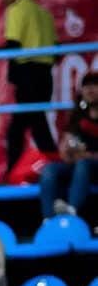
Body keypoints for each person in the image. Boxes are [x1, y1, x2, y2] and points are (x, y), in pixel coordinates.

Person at [0, 0, 59, 171]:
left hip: (28, 75)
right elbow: (56, 51)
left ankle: (18, 171)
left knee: (31, 126)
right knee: (27, 125)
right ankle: (18, 170)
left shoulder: (16, 10)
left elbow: (13, 46)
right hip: (45, 75)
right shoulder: (44, 13)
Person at [39, 71, 98, 218]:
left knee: (83, 164)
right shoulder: (78, 116)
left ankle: (71, 211)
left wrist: (87, 155)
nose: (90, 89)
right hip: (78, 165)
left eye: (95, 85)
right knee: (49, 169)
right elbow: (65, 151)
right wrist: (70, 152)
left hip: (92, 166)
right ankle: (48, 219)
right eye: (86, 85)